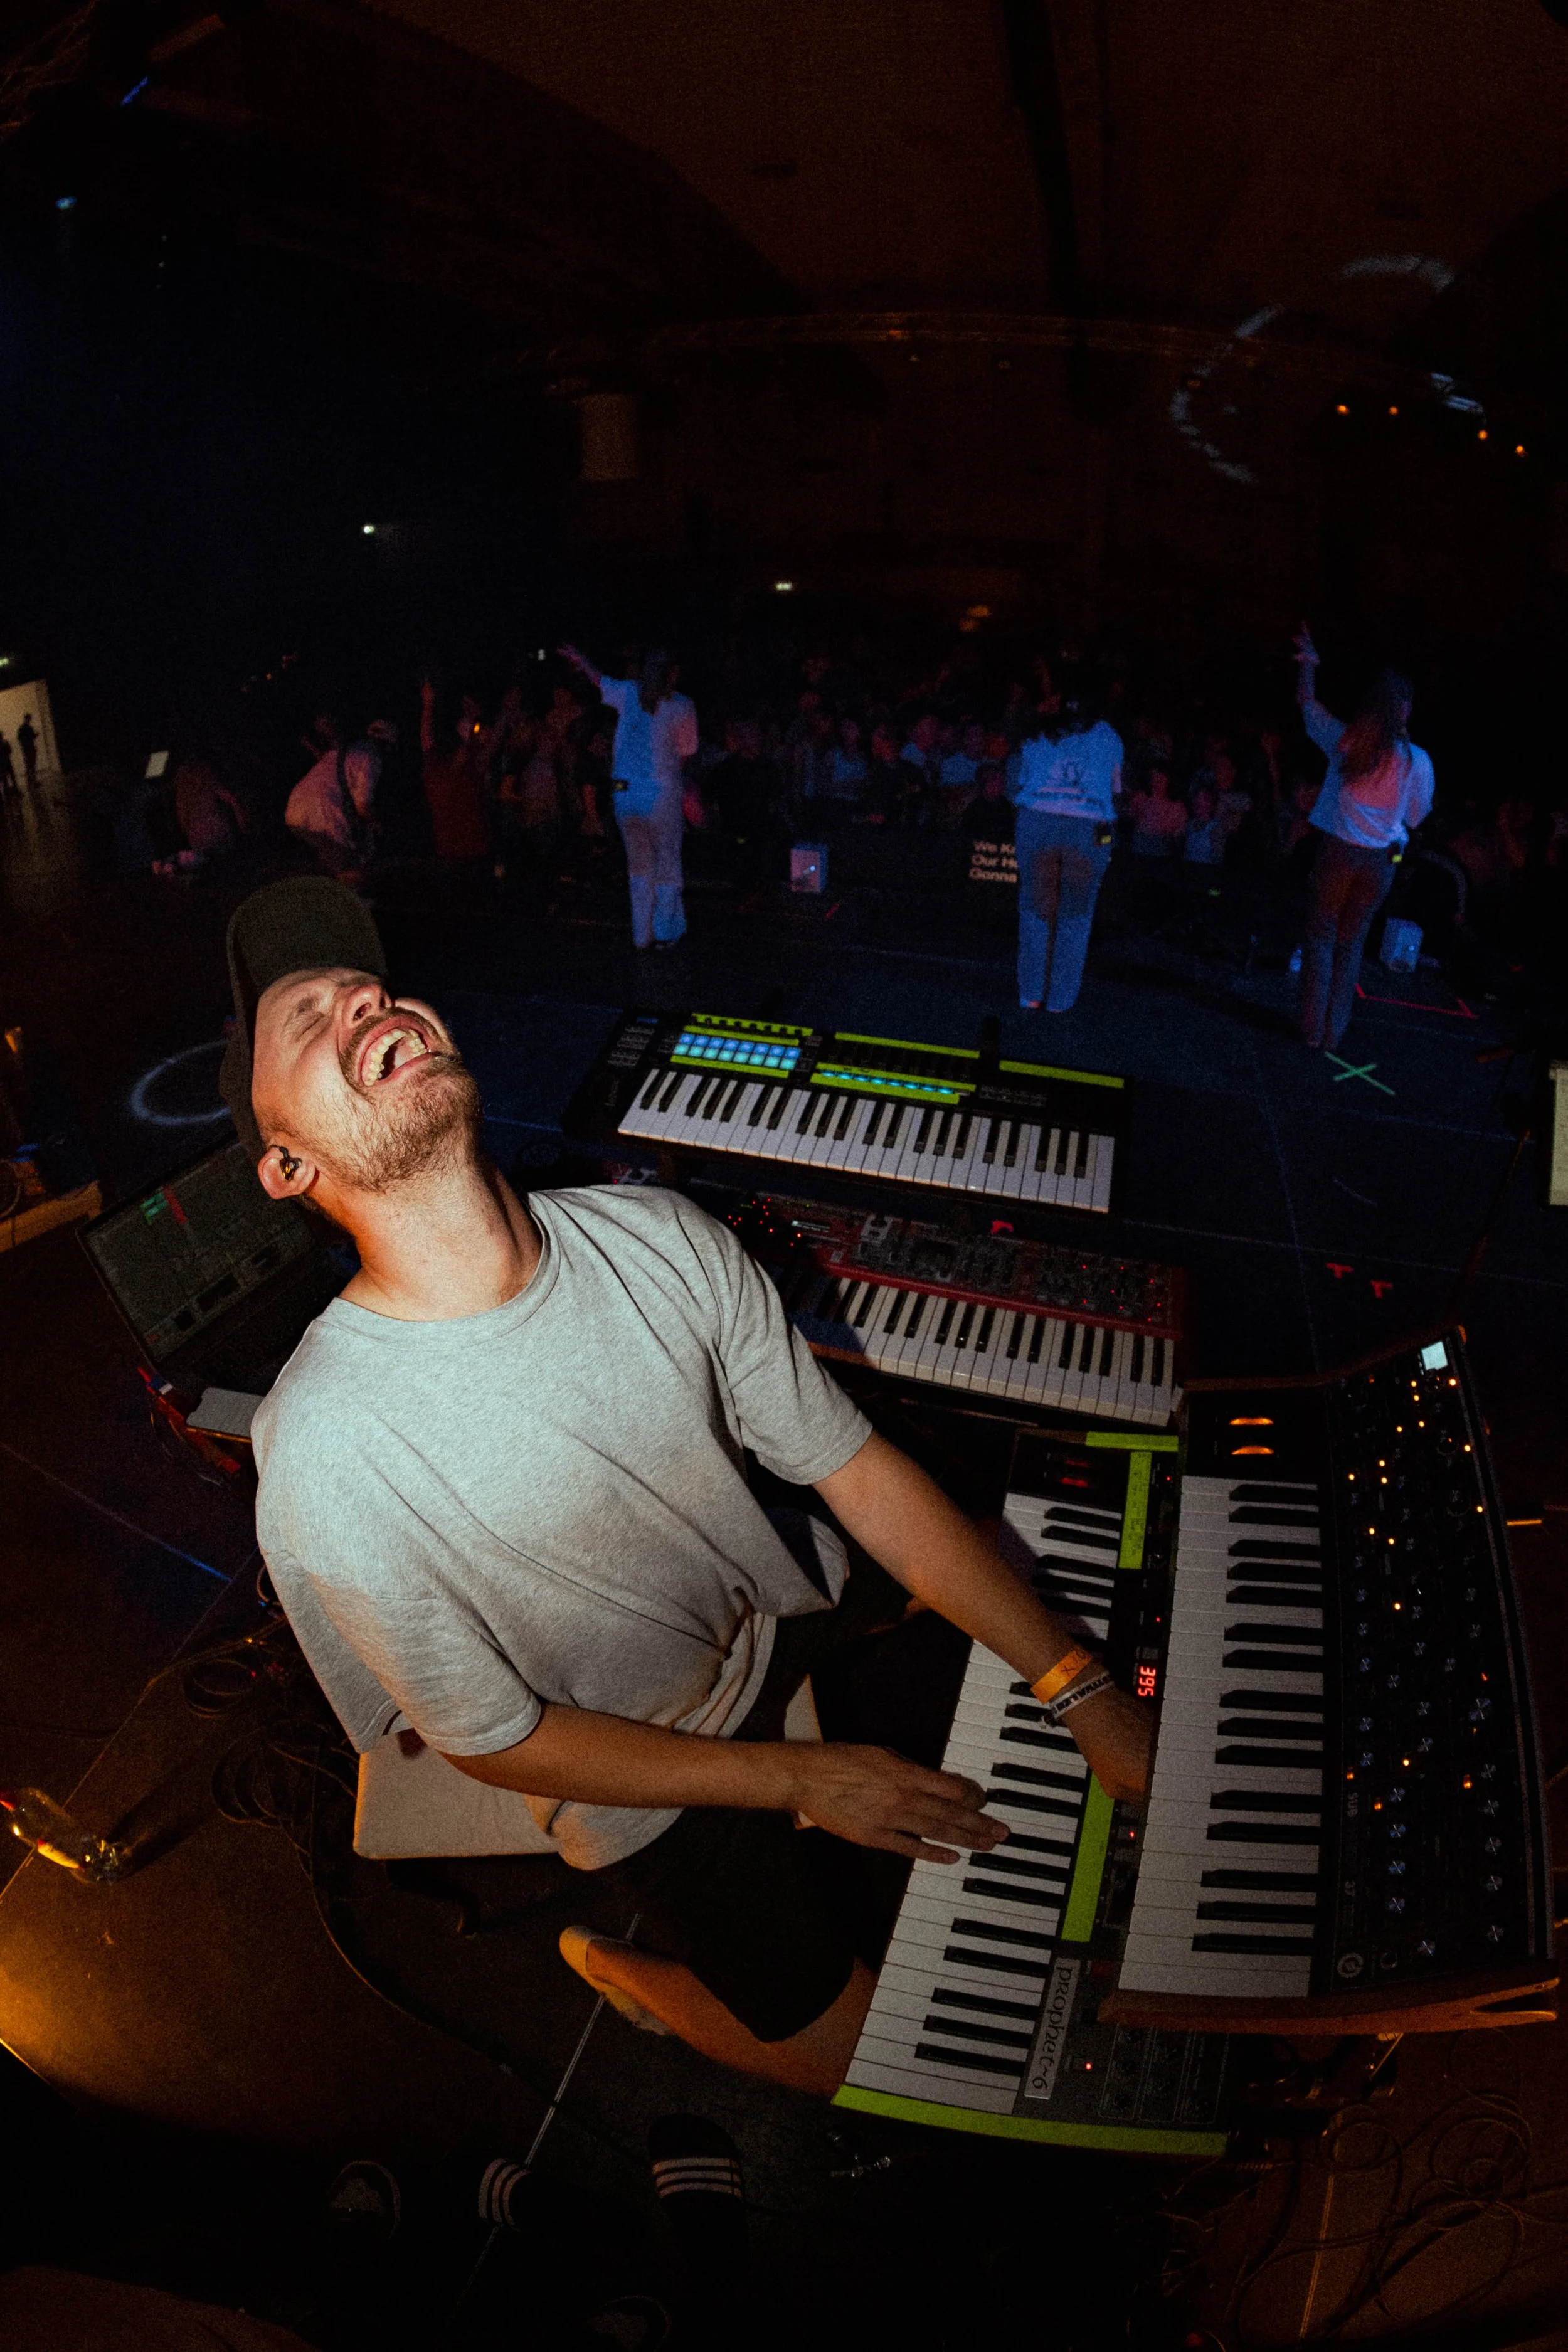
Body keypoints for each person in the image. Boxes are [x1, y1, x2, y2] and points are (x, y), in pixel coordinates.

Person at [219, 878, 1151, 2099]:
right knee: (859, 2064)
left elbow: (856, 1472)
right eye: (307, 1017)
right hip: (632, 1764)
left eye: (369, 988)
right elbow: (499, 1742)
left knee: (997, 1544)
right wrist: (801, 1778)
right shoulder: (325, 1450)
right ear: (285, 1166)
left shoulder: (663, 1237)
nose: (362, 1001)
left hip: (763, 1610)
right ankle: (615, 1965)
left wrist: (1081, 1688)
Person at [1293, 626, 1435, 1051]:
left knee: (1321, 938)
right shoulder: (1416, 761)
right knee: (1350, 943)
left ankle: (1311, 1031)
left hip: (1338, 854)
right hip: (1379, 862)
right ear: (1405, 710)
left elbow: (1307, 705)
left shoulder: (1347, 742)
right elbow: (1415, 818)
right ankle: (1332, 1034)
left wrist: (1309, 664)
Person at [559, 644, 697, 949]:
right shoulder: (682, 705)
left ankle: (641, 934)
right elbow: (686, 754)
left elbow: (599, 679)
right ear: (673, 674)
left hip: (624, 792)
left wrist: (583, 660)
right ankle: (665, 932)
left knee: (639, 867)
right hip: (659, 792)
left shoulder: (629, 692)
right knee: (667, 864)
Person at [1009, 684, 1123, 1011]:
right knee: (1075, 918)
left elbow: (1018, 782)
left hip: (1039, 819)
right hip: (1089, 827)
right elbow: (1115, 791)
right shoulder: (1110, 737)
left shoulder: (1035, 732)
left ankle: (1031, 996)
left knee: (1035, 912)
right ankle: (1060, 1002)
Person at [285, 735, 383, 880]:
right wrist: (378, 823)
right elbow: (362, 807)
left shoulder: (339, 753)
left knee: (330, 860)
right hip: (321, 814)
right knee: (349, 867)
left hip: (294, 808)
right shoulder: (370, 758)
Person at [419, 682, 492, 869]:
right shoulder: (446, 766)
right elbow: (428, 738)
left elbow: (426, 738)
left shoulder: (435, 766)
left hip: (456, 850)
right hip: (467, 850)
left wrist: (428, 705)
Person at [1126, 766, 1187, 857]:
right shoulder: (1140, 799)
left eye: (1161, 777)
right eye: (1154, 777)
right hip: (1141, 847)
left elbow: (1179, 832)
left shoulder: (1177, 806)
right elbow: (1131, 819)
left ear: (1168, 780)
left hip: (1163, 850)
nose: (1157, 781)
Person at [16, 714, 39, 790]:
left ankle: (29, 782)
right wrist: (36, 735)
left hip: (25, 750)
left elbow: (19, 738)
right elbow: (32, 737)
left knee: (28, 766)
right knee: (33, 766)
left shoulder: (21, 728)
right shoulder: (29, 728)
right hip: (31, 748)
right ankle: (34, 782)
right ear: (28, 719)